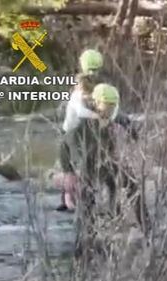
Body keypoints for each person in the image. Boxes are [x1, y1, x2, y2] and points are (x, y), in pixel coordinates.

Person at [60, 83, 150, 238]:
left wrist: (135, 139)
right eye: (106, 106)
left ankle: (147, 228)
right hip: (88, 167)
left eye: (112, 106)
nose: (109, 110)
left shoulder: (111, 118)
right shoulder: (84, 123)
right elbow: (64, 144)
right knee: (87, 202)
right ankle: (86, 239)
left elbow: (126, 123)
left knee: (133, 186)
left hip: (107, 164)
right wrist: (68, 171)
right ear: (95, 104)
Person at [56, 49, 106, 212]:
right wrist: (98, 115)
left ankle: (71, 199)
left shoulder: (83, 90)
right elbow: (80, 112)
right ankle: (73, 199)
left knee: (74, 169)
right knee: (77, 169)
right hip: (72, 136)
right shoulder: (80, 93)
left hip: (77, 135)